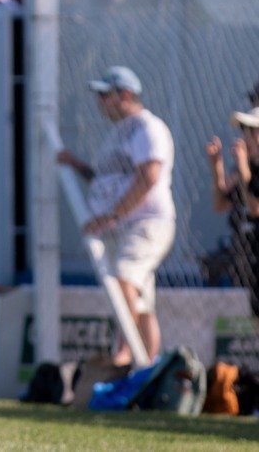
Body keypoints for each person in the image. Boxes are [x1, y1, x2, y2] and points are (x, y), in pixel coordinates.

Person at [57, 66, 175, 365]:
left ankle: (123, 353)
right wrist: (76, 165)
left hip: (144, 224)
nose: (99, 102)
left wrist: (111, 216)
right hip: (126, 225)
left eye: (104, 95)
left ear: (124, 94)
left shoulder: (146, 127)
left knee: (122, 280)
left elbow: (149, 176)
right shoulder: (121, 133)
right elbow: (109, 179)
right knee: (141, 302)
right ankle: (147, 366)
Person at [205, 107, 259, 314]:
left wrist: (243, 166)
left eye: (252, 131)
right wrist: (216, 166)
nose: (246, 137)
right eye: (244, 130)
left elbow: (255, 208)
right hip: (249, 256)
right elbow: (220, 205)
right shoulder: (241, 171)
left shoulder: (246, 169)